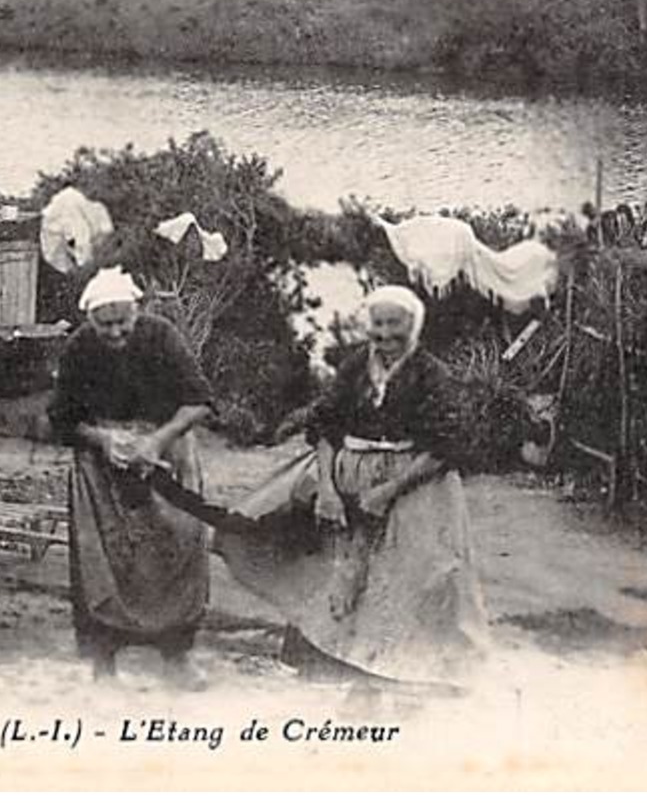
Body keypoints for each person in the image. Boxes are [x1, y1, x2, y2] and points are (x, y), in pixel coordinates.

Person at [143, 284, 489, 687]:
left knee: (419, 569)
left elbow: (445, 445)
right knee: (330, 564)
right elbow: (326, 425)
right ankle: (332, 661)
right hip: (349, 473)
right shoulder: (356, 367)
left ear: (412, 326)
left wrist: (389, 490)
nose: (384, 334)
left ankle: (407, 670)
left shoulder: (431, 374)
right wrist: (326, 488)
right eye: (377, 324)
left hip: (414, 480)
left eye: (394, 324)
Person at [48, 266, 215, 687]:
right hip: (101, 466)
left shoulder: (162, 337)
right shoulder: (79, 349)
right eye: (106, 325)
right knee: (103, 560)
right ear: (91, 321)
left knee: (179, 553)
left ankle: (177, 658)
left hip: (168, 454)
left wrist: (157, 441)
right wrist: (103, 439)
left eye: (123, 321)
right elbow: (62, 419)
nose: (117, 332)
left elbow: (200, 402)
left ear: (137, 312)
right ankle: (104, 664)